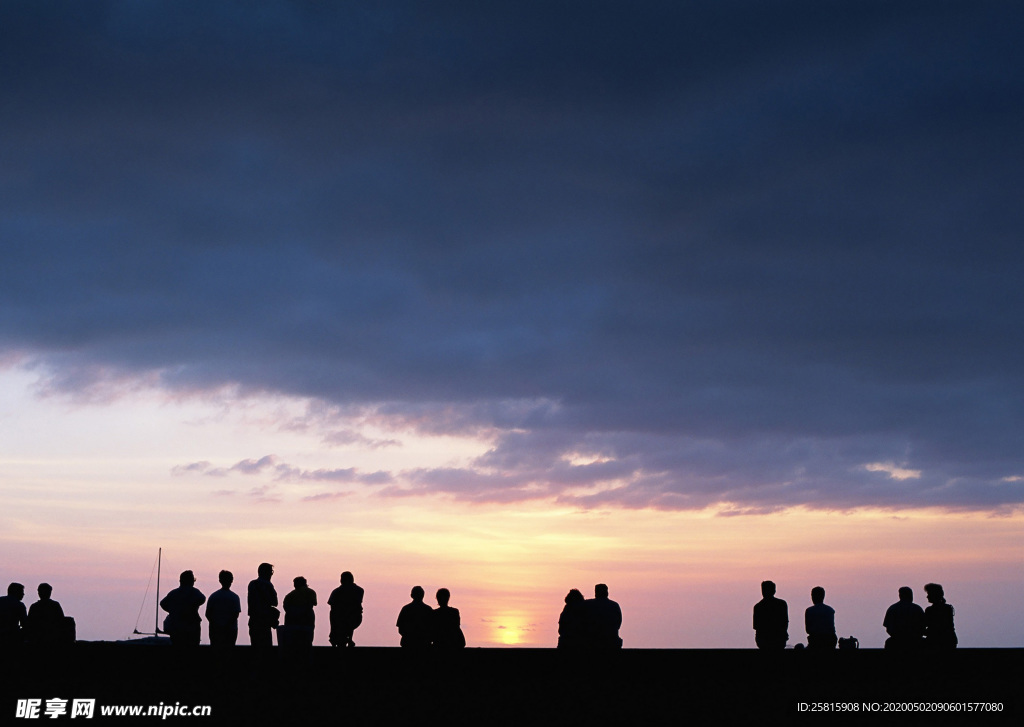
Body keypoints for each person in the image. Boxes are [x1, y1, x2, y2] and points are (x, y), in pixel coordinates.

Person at [159, 571, 206, 646]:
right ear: (191, 581)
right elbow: (202, 599)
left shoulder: (173, 593)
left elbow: (163, 603)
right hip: (192, 627)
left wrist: (173, 611)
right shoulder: (194, 592)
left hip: (176, 627)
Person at [205, 570, 241, 647]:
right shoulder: (235, 597)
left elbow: (208, 614)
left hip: (215, 630)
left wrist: (216, 624)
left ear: (220, 580)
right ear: (231, 580)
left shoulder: (213, 596)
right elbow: (235, 615)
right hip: (230, 630)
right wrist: (226, 626)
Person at [328, 571, 364, 648]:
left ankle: (339, 638)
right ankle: (348, 639)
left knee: (342, 619)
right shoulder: (359, 590)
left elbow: (332, 604)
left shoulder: (337, 591)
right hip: (353, 616)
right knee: (348, 621)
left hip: (344, 617)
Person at [883, 586, 925, 650]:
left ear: (900, 595)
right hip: (915, 642)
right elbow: (923, 626)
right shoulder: (917, 609)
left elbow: (888, 627)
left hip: (896, 641)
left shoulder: (892, 609)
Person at [247, 563, 279, 647]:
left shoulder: (252, 584)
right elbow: (275, 602)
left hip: (254, 619)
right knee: (266, 647)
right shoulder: (268, 585)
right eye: (271, 572)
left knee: (255, 646)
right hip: (265, 620)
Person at [282, 576, 317, 648]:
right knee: (307, 641)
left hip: (292, 621)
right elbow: (314, 603)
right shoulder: (310, 592)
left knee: (294, 641)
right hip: (307, 619)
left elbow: (286, 608)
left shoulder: (290, 595)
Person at [753, 580, 788, 650]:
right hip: (778, 639)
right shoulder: (781, 604)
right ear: (774, 591)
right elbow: (785, 622)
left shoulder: (758, 606)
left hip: (764, 640)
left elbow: (756, 626)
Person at [585, 583, 623, 649]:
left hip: (593, 642)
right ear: (607, 592)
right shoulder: (614, 605)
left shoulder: (588, 605)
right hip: (612, 642)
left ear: (596, 592)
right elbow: (618, 624)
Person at [923, 583, 957, 650]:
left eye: (929, 594)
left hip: (935, 641)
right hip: (950, 641)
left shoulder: (930, 610)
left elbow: (930, 627)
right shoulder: (948, 608)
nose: (927, 596)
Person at [0, 583, 27, 647]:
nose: (23, 594)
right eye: (22, 592)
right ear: (17, 592)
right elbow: (25, 623)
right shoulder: (19, 605)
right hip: (12, 637)